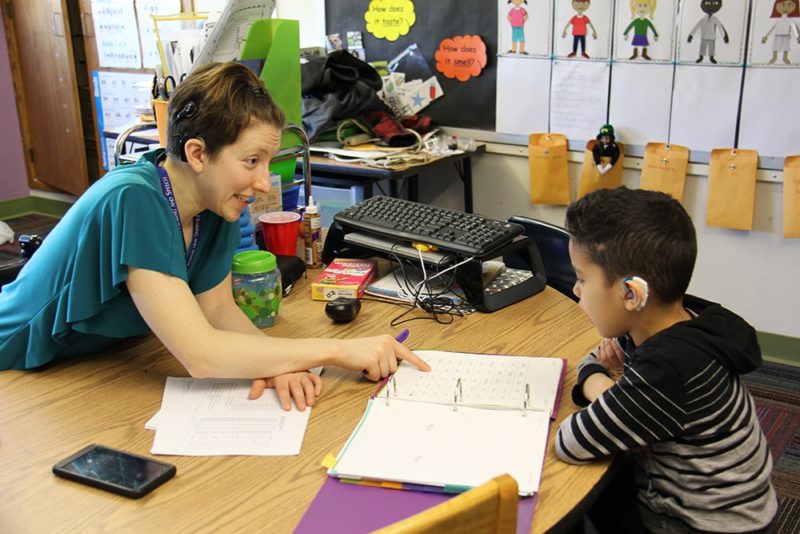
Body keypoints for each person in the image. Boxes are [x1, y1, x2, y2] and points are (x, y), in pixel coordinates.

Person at [0, 62, 429, 410]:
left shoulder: (214, 204)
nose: (263, 182)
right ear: (198, 154)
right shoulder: (134, 198)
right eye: (251, 161)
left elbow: (219, 311)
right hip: (15, 366)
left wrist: (276, 363)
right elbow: (200, 355)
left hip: (88, 366)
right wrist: (335, 351)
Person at [555, 187, 778, 533]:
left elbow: (570, 442)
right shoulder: (686, 321)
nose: (576, 290)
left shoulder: (668, 369)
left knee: (573, 498)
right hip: (738, 504)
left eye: (582, 278)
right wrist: (616, 393)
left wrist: (598, 381)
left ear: (631, 294)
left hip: (704, 524)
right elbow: (604, 361)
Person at [761, 0, 800, 65]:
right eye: (783, 5)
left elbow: (794, 29)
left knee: (786, 47)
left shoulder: (790, 21)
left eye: (790, 5)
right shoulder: (778, 20)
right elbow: (771, 28)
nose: (786, 8)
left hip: (786, 36)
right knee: (775, 47)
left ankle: (785, 58)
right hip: (777, 36)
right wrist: (765, 36)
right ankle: (774, 57)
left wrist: (797, 37)